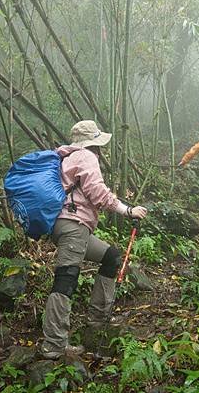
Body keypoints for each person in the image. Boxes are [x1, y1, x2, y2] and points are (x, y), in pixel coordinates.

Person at [41, 120, 148, 359]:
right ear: (93, 143)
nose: (101, 150)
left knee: (111, 256)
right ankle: (54, 345)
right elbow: (97, 193)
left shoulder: (65, 157)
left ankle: (98, 319)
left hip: (65, 225)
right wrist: (127, 210)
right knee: (65, 279)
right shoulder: (86, 157)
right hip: (73, 225)